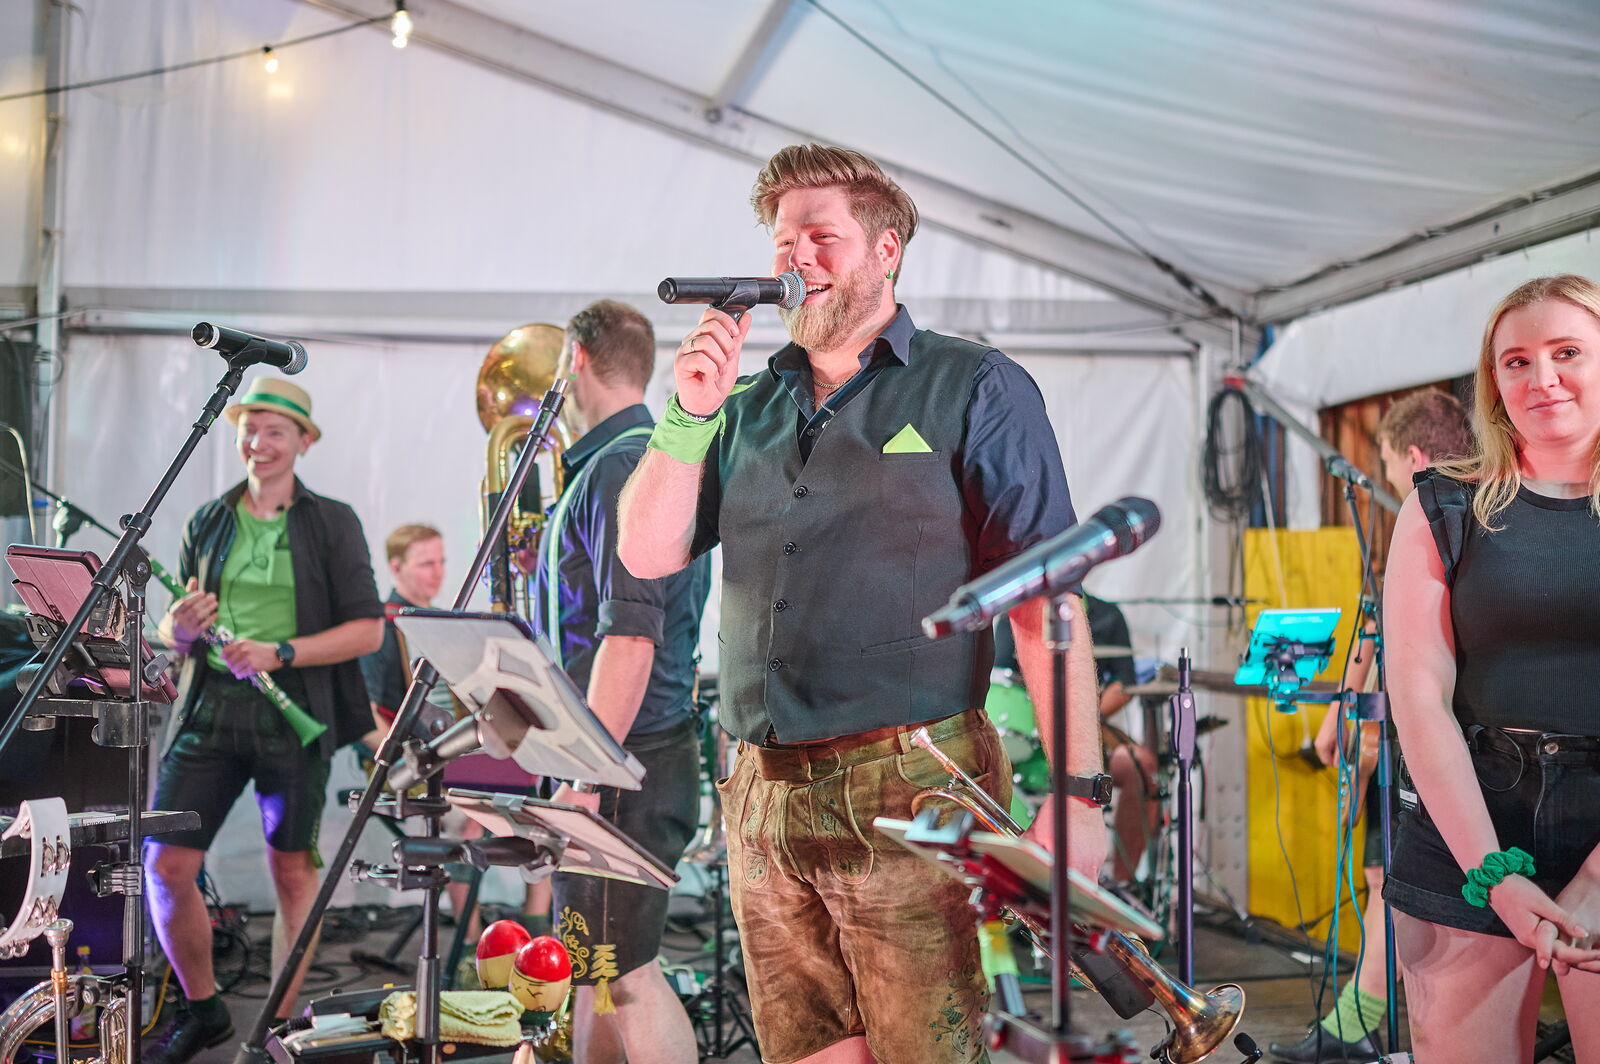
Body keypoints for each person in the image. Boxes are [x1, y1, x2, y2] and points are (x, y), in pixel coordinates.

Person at [617, 144, 1108, 1064]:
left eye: (820, 237)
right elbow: (647, 552)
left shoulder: (973, 385)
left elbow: (1047, 599)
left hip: (915, 781)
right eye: (782, 241)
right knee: (805, 1050)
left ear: (886, 251)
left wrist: (1080, 795)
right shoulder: (744, 408)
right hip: (761, 789)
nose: (795, 258)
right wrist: (686, 416)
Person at [1382, 274, 1600, 1063]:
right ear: (1494, 381)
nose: (1542, 378)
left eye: (1567, 352)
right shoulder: (1442, 505)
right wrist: (1493, 875)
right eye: (1516, 361)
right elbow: (1419, 698)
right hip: (1470, 815)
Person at [147, 378, 384, 1064]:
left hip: (295, 713)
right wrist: (177, 628)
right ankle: (205, 1011)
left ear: (303, 442)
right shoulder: (208, 519)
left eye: (276, 430)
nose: (259, 442)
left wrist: (279, 652)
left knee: (292, 874)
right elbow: (174, 635)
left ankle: (275, 1032)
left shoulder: (332, 522)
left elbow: (368, 630)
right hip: (210, 711)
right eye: (249, 428)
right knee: (165, 864)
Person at [1271, 389, 1472, 1063]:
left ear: (1412, 456)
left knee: (1400, 883)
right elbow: (1380, 625)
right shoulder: (1475, 515)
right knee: (1390, 879)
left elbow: (1395, 635)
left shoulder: (1434, 518)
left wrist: (1343, 716)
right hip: (1437, 738)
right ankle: (1362, 1022)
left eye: (1386, 462)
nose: (1385, 477)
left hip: (1436, 742)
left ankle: (1366, 1027)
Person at [533, 300, 710, 1064]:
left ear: (575, 359)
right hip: (628, 755)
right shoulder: (640, 459)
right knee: (593, 972)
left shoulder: (616, 466)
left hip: (622, 761)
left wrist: (585, 775)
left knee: (627, 975)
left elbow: (631, 639)